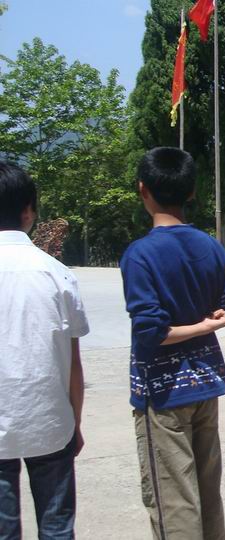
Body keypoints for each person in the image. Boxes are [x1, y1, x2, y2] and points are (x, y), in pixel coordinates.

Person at [120, 147, 225, 539]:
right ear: (191, 192)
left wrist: (199, 326)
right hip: (206, 385)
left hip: (164, 393)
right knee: (207, 494)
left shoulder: (140, 254)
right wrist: (211, 323)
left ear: (143, 189)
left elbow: (152, 333)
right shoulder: (211, 246)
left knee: (174, 499)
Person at [0, 162, 89, 538]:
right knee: (56, 527)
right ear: (29, 211)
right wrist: (75, 423)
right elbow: (73, 364)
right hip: (50, 423)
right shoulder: (57, 274)